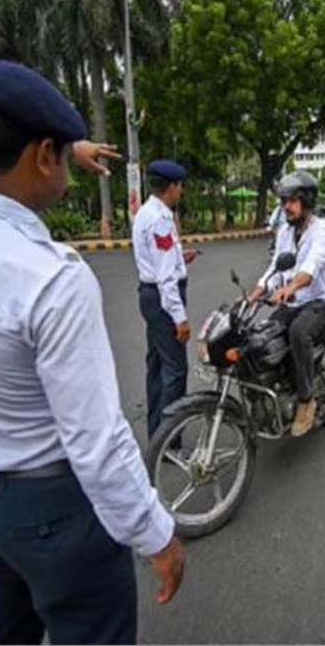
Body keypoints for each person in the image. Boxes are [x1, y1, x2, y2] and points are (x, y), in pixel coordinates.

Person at [0, 60, 184, 644]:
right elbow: (97, 441)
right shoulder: (51, 278)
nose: (72, 167)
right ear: (43, 155)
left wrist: (62, 148)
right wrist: (156, 535)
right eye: (62, 153)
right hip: (56, 514)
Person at [247, 171, 325, 437]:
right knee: (263, 336)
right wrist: (254, 294)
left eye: (292, 201)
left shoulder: (321, 232)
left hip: (317, 304)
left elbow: (311, 268)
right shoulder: (285, 230)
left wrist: (290, 288)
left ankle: (306, 400)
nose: (286, 206)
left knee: (298, 332)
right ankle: (280, 386)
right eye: (284, 201)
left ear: (307, 201)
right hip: (291, 304)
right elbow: (276, 267)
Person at [133, 159, 199, 442]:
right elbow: (165, 277)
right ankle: (169, 442)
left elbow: (158, 258)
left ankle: (156, 433)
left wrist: (179, 258)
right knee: (175, 370)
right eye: (179, 186)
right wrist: (180, 318)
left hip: (150, 296)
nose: (180, 191)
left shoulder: (146, 212)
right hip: (162, 300)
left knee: (158, 366)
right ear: (171, 187)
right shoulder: (160, 218)